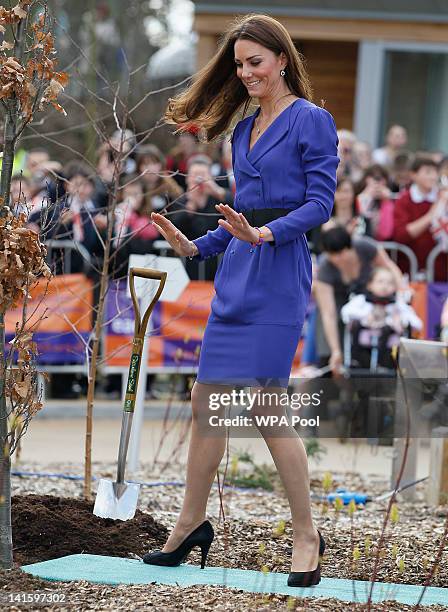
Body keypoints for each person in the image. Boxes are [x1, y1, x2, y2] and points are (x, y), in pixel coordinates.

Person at [142, 14, 339, 587]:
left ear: (282, 59)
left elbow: (320, 204)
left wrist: (267, 235)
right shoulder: (241, 131)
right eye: (239, 64)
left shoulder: (313, 120)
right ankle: (189, 526)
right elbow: (239, 217)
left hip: (280, 272)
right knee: (207, 403)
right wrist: (192, 245)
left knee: (265, 406)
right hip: (237, 274)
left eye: (255, 62)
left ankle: (307, 536)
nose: (246, 73)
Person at [313, 226, 403, 376]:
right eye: (332, 255)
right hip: (339, 301)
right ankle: (331, 366)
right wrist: (335, 350)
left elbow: (390, 269)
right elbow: (328, 313)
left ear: (350, 247)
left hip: (367, 298)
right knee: (326, 329)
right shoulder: (325, 268)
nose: (337, 259)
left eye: (341, 253)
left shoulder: (365, 247)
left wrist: (401, 294)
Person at [341, 266, 422, 369]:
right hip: (363, 346)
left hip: (388, 347)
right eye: (380, 282)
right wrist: (366, 315)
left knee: (389, 330)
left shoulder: (397, 304)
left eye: (389, 283)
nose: (385, 286)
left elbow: (418, 324)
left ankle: (382, 366)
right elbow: (345, 311)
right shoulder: (362, 300)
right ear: (370, 285)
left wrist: (400, 320)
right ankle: (355, 361)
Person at [168, 155, 235, 281]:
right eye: (195, 175)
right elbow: (173, 227)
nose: (199, 180)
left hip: (216, 263)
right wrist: (190, 208)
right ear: (187, 178)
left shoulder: (218, 198)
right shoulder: (181, 201)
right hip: (188, 265)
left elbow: (237, 210)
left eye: (203, 175)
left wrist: (216, 190)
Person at [393, 157, 447, 281]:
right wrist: (431, 215)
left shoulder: (443, 196)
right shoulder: (404, 200)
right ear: (413, 175)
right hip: (412, 271)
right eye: (428, 172)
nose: (433, 176)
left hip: (442, 272)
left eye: (435, 172)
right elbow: (401, 235)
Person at [356, 165, 395, 241]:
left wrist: (386, 201)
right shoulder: (358, 196)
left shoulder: (389, 201)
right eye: (373, 178)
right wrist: (366, 196)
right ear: (365, 179)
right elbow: (359, 227)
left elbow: (385, 233)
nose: (377, 183)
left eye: (380, 178)